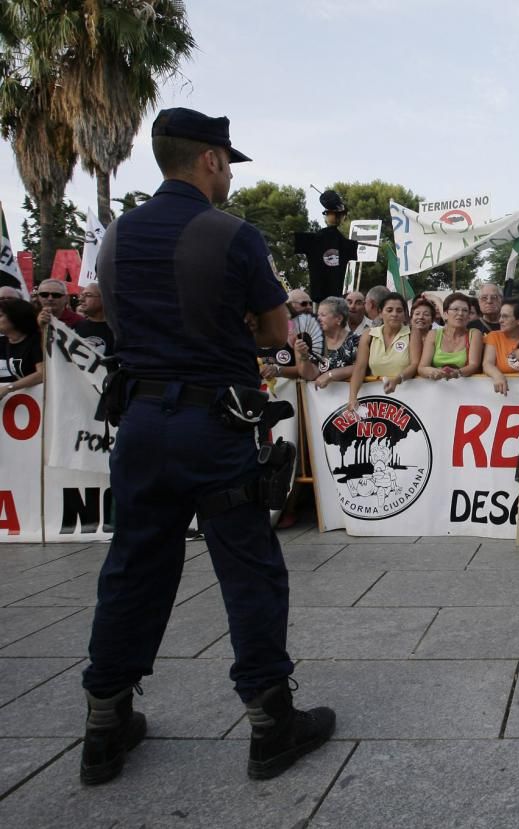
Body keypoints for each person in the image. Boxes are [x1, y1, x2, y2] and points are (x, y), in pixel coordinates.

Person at [83, 107, 334, 786]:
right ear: (211, 160)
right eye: (227, 164)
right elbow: (274, 330)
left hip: (138, 422)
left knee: (133, 566)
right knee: (248, 566)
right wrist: (242, 327)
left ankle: (104, 726)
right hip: (212, 423)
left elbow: (112, 311)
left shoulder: (113, 238)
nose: (227, 176)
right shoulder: (232, 235)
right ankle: (270, 722)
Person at [348, 292, 418, 410]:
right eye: (389, 310)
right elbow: (359, 368)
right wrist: (352, 397)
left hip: (408, 400)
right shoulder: (368, 335)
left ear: (405, 314)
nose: (394, 314)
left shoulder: (412, 333)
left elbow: (415, 364)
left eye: (399, 310)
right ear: (380, 313)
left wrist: (397, 379)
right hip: (377, 401)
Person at [418, 291, 482, 380]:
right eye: (455, 309)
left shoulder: (475, 334)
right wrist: (433, 372)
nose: (460, 313)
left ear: (468, 316)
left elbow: (474, 365)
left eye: (465, 310)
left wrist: (457, 373)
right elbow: (422, 367)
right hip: (437, 387)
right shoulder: (433, 334)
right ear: (445, 314)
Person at [297, 296, 359, 388]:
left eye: (323, 315)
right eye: (318, 315)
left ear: (339, 319)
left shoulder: (355, 340)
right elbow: (311, 375)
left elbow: (362, 367)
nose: (318, 319)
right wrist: (304, 356)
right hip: (320, 400)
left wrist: (331, 375)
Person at [482, 297, 519, 395]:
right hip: (501, 396)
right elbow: (487, 364)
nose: (500, 320)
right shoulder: (494, 336)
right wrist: (497, 376)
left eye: (505, 316)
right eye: (500, 316)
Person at [0, 297, 44, 398]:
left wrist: (8, 388)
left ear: (15, 317)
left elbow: (42, 374)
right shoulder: (2, 343)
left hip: (34, 403)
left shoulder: (36, 341)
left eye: (0, 315)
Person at [75, 283, 115, 356]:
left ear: (104, 299)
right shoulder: (75, 326)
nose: (81, 299)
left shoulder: (118, 330)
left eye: (88, 295)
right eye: (82, 295)